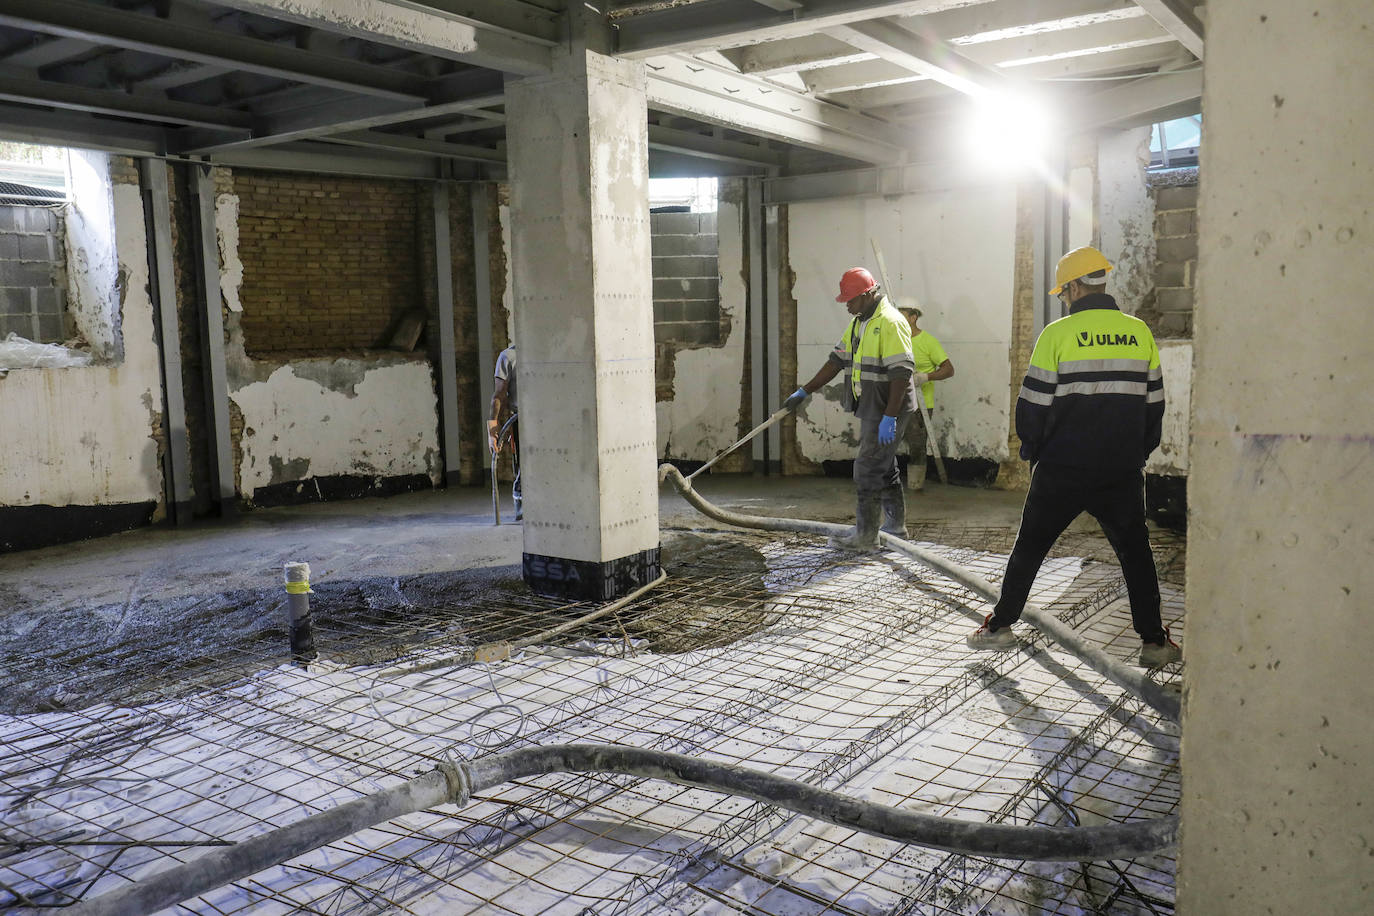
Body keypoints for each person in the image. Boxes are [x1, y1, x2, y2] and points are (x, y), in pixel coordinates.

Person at [966, 246, 1181, 668]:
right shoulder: (1139, 333)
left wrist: (1033, 448)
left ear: (1076, 286)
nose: (1063, 300)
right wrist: (1136, 454)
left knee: (1030, 547)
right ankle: (1155, 643)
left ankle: (999, 628)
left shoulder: (1057, 334)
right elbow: (1154, 405)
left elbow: (1033, 406)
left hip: (1062, 467)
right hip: (1120, 469)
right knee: (1136, 554)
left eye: (1064, 292)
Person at [783, 267, 917, 549]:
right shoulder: (859, 322)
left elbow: (901, 374)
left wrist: (890, 417)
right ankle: (895, 526)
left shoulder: (891, 322)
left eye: (851, 300)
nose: (847, 306)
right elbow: (836, 361)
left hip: (889, 409)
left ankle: (866, 537)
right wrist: (804, 391)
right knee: (884, 465)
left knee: (868, 468)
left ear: (868, 294)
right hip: (873, 407)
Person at [898, 307, 954, 492]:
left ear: (913, 317)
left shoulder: (928, 341)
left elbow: (948, 369)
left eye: (902, 314)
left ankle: (915, 486)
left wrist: (926, 377)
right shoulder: (894, 340)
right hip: (894, 401)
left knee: (916, 444)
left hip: (920, 405)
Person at [487, 345, 521, 521]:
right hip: (521, 421)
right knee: (524, 469)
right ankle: (522, 508)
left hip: (550, 419)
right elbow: (499, 395)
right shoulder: (508, 356)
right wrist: (492, 428)